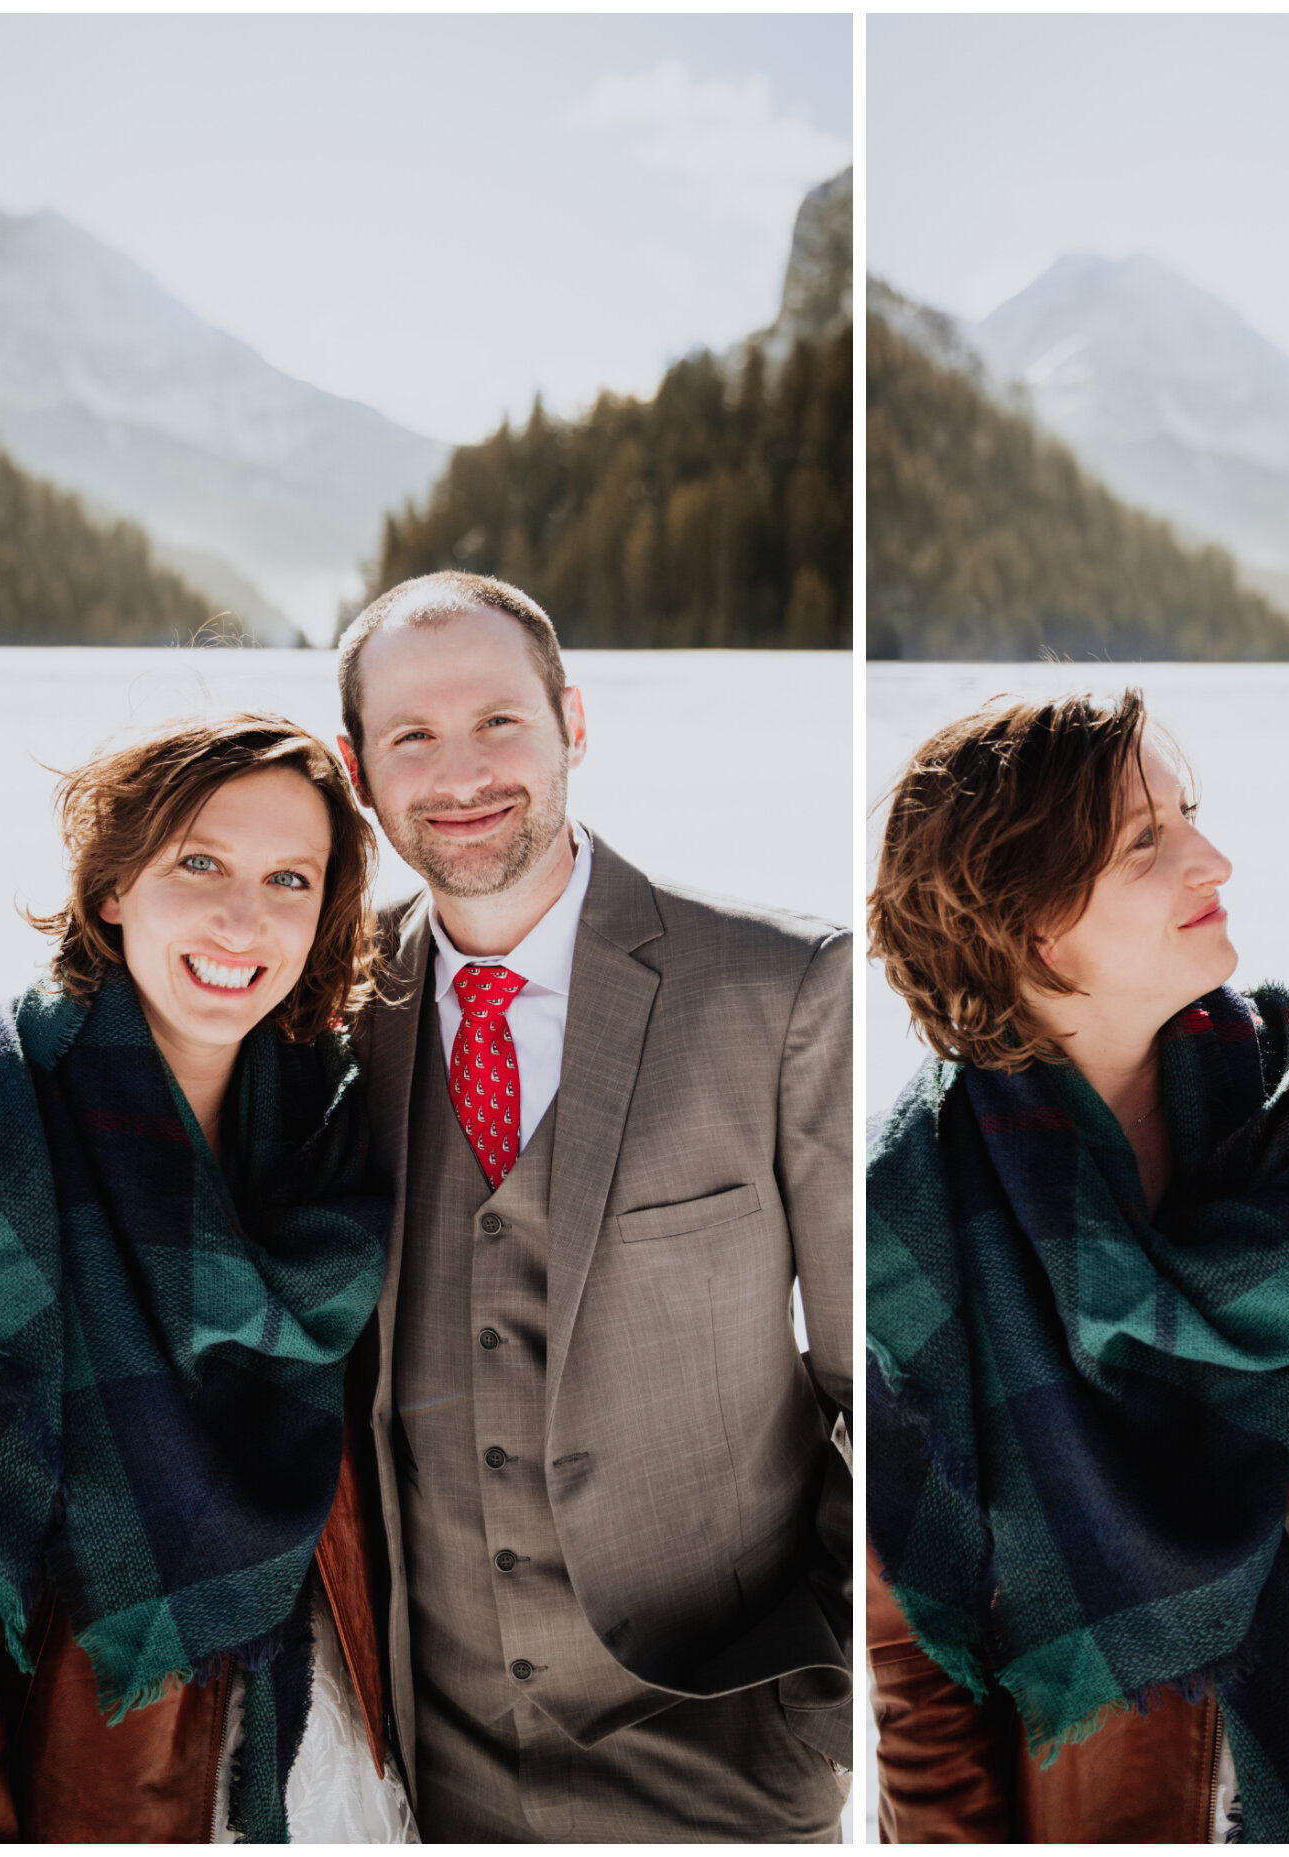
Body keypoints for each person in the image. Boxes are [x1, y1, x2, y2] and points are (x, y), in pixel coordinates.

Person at [331, 570, 852, 1842]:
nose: (459, 772)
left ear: (572, 719)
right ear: (357, 771)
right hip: (435, 1777)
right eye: (411, 736)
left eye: (498, 721)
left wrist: (829, 1694)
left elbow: (880, 1392)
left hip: (728, 1755)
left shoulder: (780, 989)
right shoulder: (328, 1022)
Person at [865, 690, 1289, 1843]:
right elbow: (919, 1669)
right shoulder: (911, 1222)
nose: (1209, 857)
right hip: (1108, 1803)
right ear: (1028, 924)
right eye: (1144, 842)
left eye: (1188, 816)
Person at [0, 714, 412, 1843]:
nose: (242, 917)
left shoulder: (337, 1133)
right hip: (108, 1784)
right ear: (113, 888)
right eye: (199, 864)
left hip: (341, 1763)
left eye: (289, 878)